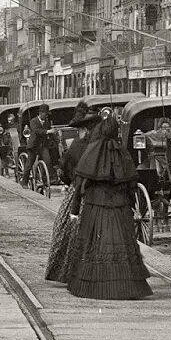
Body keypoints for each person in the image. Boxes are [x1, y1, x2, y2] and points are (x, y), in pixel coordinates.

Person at [64, 117, 151, 300]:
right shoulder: (123, 153)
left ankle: (95, 287)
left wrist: (74, 211)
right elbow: (131, 184)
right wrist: (130, 206)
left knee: (94, 247)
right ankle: (125, 287)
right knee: (122, 248)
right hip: (119, 209)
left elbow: (81, 184)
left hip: (95, 209)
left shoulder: (91, 152)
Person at [44, 102, 101, 283]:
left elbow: (65, 172)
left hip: (79, 193)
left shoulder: (76, 145)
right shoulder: (103, 143)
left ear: (83, 128)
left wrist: (69, 182)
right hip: (101, 194)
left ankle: (67, 272)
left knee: (65, 228)